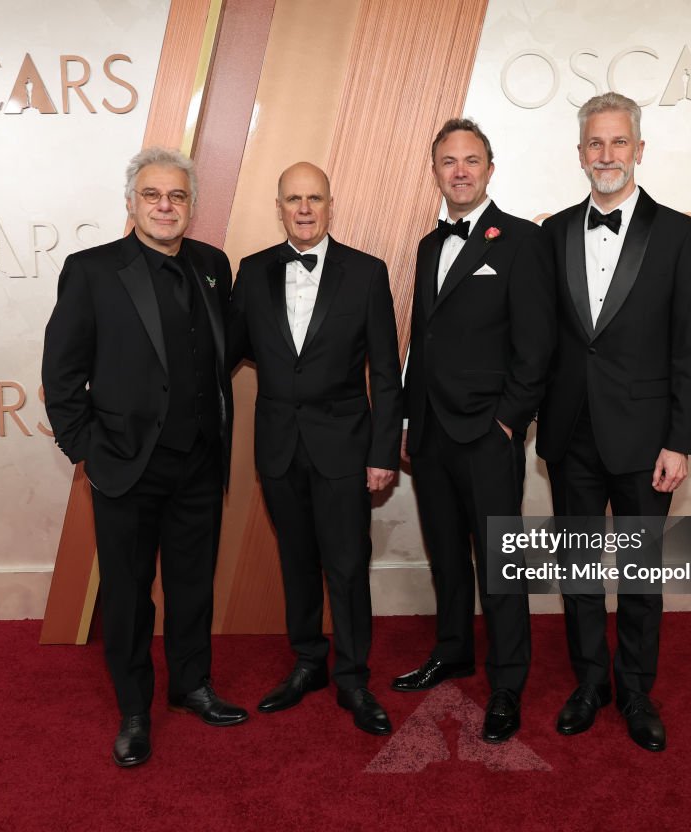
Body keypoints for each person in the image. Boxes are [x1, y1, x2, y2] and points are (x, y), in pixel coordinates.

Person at [42, 147, 246, 768]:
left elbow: (223, 353)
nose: (165, 206)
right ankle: (135, 708)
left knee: (192, 586)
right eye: (153, 195)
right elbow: (62, 372)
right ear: (131, 202)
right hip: (126, 465)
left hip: (200, 462)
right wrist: (88, 452)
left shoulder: (213, 264)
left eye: (177, 196)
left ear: (190, 206)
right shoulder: (92, 271)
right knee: (129, 594)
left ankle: (192, 686)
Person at [536, 93, 691, 752]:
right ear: (580, 153)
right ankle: (590, 684)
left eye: (618, 143)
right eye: (594, 144)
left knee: (639, 576)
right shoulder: (551, 233)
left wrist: (680, 440)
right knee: (579, 571)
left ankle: (636, 690)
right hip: (570, 433)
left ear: (639, 149)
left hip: (646, 440)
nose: (606, 156)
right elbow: (539, 338)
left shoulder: (678, 234)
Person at [393, 118, 556, 743]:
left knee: (500, 567)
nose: (459, 171)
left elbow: (536, 345)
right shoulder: (430, 245)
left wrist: (509, 422)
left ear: (490, 169)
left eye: (471, 160)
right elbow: (422, 342)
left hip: (489, 432)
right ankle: (454, 650)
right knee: (447, 559)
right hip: (431, 432)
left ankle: (507, 682)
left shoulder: (520, 240)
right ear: (435, 171)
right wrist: (409, 419)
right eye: (447, 162)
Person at [229, 162, 402, 736]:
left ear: (331, 204)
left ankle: (353, 677)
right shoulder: (251, 272)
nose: (304, 209)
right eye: (293, 199)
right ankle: (309, 661)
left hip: (346, 446)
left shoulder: (367, 272)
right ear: (279, 207)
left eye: (315, 198)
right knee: (296, 561)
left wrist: (382, 452)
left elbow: (387, 372)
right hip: (278, 446)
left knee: (348, 566)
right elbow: (224, 354)